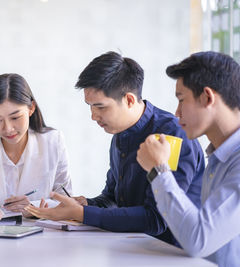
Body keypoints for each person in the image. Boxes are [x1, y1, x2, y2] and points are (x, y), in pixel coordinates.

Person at [25, 51, 204, 246]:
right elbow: (112, 198)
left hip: (173, 255)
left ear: (128, 99)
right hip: (133, 248)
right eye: (90, 106)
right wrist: (83, 204)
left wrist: (83, 214)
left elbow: (157, 219)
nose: (93, 116)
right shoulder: (120, 133)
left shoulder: (171, 136)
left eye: (100, 107)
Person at [136, 51, 240, 267]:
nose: (177, 112)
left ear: (207, 97)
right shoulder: (219, 156)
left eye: (182, 100)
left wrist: (159, 170)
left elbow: (198, 239)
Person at [0, 73, 72, 223]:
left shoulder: (53, 141)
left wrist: (33, 207)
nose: (8, 129)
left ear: (31, 108)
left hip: (43, 237)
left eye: (15, 117)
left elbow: (67, 200)